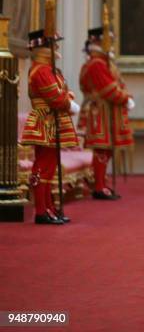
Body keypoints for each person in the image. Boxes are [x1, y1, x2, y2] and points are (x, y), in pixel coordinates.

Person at [21, 29, 80, 224]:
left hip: (52, 120)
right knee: (44, 166)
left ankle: (48, 207)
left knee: (50, 165)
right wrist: (68, 103)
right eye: (52, 44)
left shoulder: (49, 69)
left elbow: (64, 91)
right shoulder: (42, 70)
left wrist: (67, 99)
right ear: (44, 48)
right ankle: (41, 210)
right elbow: (56, 97)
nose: (56, 47)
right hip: (45, 121)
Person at [78, 27, 135, 200]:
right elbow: (108, 89)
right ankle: (99, 186)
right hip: (100, 112)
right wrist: (125, 98)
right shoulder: (97, 63)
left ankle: (101, 182)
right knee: (101, 149)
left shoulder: (103, 62)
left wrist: (124, 95)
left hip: (106, 111)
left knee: (106, 150)